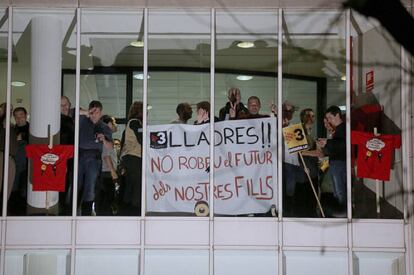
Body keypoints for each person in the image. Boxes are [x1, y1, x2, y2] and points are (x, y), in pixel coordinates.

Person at [78, 100, 112, 215]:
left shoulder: (104, 127)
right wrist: (86, 112)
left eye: (96, 112)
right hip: (80, 154)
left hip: (94, 157)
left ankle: (86, 212)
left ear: (101, 113)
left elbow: (110, 146)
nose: (94, 114)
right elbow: (72, 112)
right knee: (76, 184)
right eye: (92, 111)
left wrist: (103, 139)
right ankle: (73, 210)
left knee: (90, 185)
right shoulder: (83, 120)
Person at [317, 105, 347, 215]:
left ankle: (344, 213)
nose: (328, 121)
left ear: (337, 115)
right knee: (336, 190)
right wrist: (325, 145)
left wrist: (327, 142)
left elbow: (343, 144)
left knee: (339, 191)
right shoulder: (338, 130)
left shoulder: (343, 128)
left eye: (329, 117)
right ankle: (341, 211)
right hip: (335, 162)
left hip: (339, 162)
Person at [119, 101, 143, 215]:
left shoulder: (128, 125)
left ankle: (126, 211)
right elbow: (141, 139)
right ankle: (135, 211)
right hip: (134, 157)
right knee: (137, 185)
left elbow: (123, 142)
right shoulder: (135, 123)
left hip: (128, 158)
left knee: (130, 185)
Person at [95, 115, 118, 216]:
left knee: (105, 201)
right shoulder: (105, 139)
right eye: (111, 123)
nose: (113, 126)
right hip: (106, 173)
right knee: (106, 201)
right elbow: (106, 156)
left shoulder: (106, 138)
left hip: (105, 173)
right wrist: (113, 172)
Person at [11, 107, 29, 212]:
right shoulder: (12, 130)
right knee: (15, 186)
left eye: (21, 115)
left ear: (26, 115)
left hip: (28, 164)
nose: (19, 118)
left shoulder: (33, 129)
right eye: (16, 116)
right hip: (15, 163)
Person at [0, 103, 17, 203]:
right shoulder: (3, 124)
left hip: (10, 158)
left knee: (8, 184)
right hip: (2, 155)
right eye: (6, 109)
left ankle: (4, 208)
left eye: (11, 110)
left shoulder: (12, 126)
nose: (9, 112)